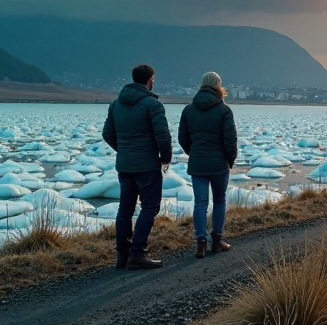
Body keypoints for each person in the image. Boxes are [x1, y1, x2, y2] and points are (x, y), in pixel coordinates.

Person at [102, 63, 172, 270]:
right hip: (147, 165)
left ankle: (122, 256)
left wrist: (123, 150)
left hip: (125, 165)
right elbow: (163, 136)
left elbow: (107, 134)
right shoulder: (153, 105)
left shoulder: (116, 104)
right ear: (150, 80)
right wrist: (165, 158)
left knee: (125, 208)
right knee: (149, 207)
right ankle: (137, 254)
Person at [178, 71, 238, 258]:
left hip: (198, 164)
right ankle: (217, 241)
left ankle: (201, 243)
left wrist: (194, 153)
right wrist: (230, 159)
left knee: (200, 203)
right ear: (219, 87)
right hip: (219, 164)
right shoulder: (224, 110)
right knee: (219, 200)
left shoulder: (188, 110)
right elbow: (230, 140)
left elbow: (182, 138)